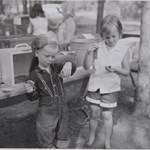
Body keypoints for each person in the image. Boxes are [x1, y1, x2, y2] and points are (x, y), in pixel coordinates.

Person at [83, 15, 130, 149]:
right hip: (95, 86)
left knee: (107, 115)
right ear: (102, 35)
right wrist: (88, 54)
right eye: (107, 37)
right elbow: (87, 66)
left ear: (120, 33)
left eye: (114, 36)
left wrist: (117, 69)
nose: (110, 40)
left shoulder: (123, 49)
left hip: (110, 88)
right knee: (94, 113)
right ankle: (92, 136)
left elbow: (126, 71)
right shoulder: (97, 47)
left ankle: (107, 141)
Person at [24, 34, 76, 148]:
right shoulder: (33, 75)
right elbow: (33, 98)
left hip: (63, 110)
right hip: (46, 113)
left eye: (53, 57)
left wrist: (68, 63)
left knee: (62, 132)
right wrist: (30, 91)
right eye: (47, 56)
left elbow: (70, 59)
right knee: (46, 133)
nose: (50, 60)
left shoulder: (56, 67)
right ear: (37, 53)